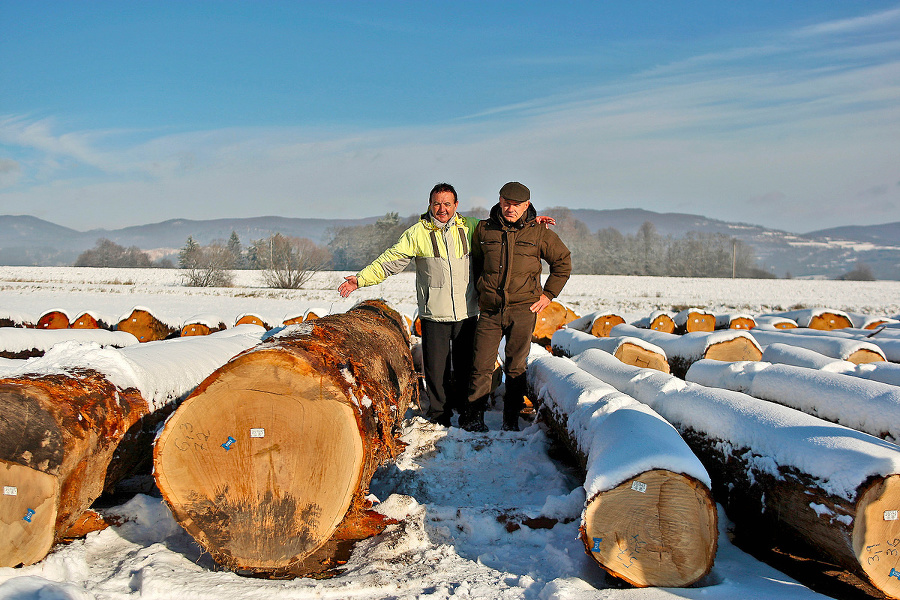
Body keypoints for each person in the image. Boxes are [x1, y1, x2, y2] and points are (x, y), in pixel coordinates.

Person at [338, 183, 479, 426]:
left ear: (457, 205)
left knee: (467, 367)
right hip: (435, 313)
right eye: (437, 203)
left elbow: (504, 228)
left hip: (467, 312)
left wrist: (530, 221)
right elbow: (391, 260)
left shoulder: (471, 228)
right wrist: (361, 279)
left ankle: (467, 415)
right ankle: (439, 417)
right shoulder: (418, 233)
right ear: (430, 205)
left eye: (447, 203)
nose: (442, 208)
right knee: (436, 370)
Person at [460, 181, 572, 432]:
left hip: (524, 309)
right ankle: (473, 419)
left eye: (517, 205)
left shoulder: (539, 233)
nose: (511, 209)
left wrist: (549, 294)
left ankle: (511, 421)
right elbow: (477, 263)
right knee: (481, 365)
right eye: (506, 203)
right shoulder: (484, 230)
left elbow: (563, 263)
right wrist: (481, 290)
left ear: (527, 205)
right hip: (490, 310)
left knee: (516, 366)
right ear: (499, 201)